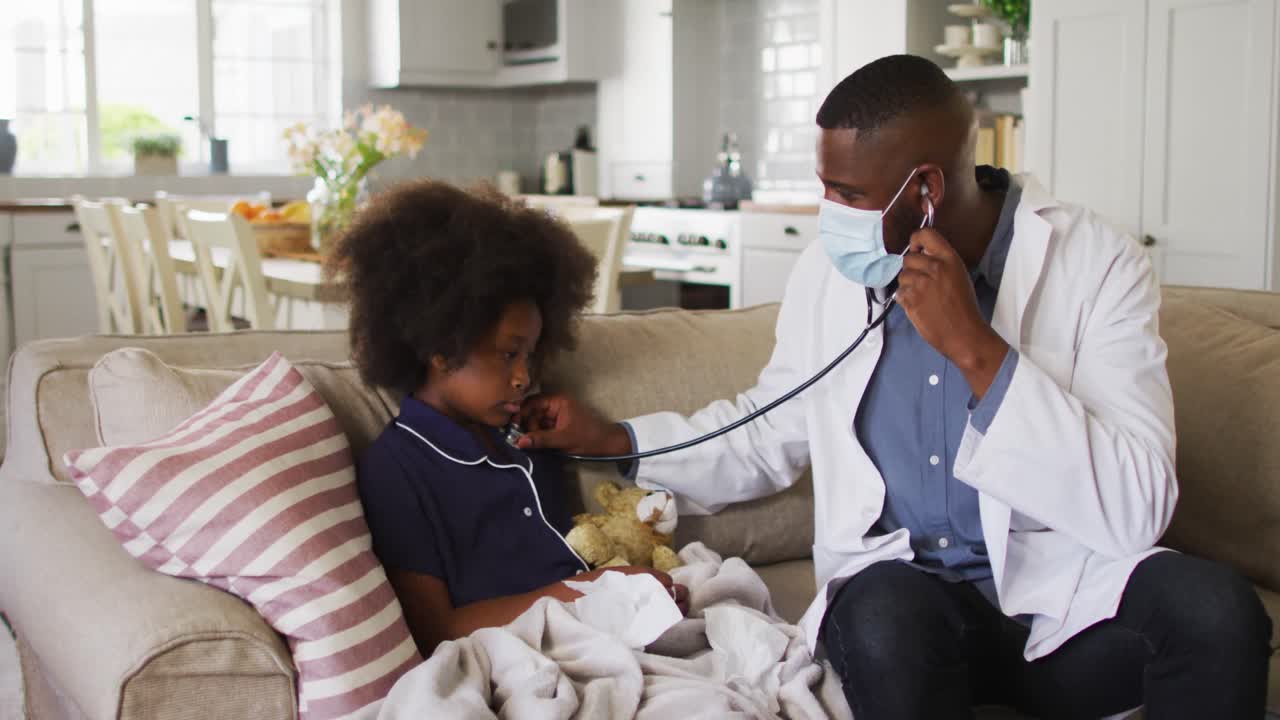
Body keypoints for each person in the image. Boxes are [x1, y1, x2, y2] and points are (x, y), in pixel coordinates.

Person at [516, 56, 1272, 718]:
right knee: (881, 613)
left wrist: (977, 350)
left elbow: (1138, 506)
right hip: (907, 611)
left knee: (1217, 611)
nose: (828, 214)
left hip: (1063, 609)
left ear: (926, 191)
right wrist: (614, 441)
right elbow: (770, 427)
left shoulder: (1097, 263)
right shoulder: (832, 274)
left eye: (846, 193)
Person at [338, 181, 689, 659]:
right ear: (442, 347)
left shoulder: (525, 438)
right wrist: (588, 591)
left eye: (531, 353)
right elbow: (436, 630)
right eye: (508, 354)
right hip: (517, 657)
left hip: (603, 634)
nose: (525, 377)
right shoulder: (396, 470)